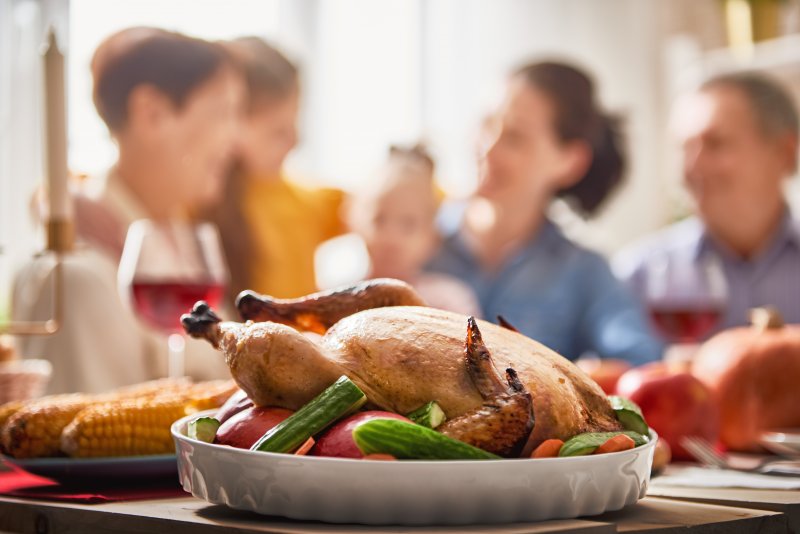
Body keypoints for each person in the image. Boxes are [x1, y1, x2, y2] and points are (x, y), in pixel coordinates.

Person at [12, 28, 245, 393]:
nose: (235, 140)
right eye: (223, 112)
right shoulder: (76, 280)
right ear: (151, 113)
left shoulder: (186, 246)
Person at [426, 62, 663, 364]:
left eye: (514, 138)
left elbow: (642, 362)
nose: (488, 148)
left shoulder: (584, 272)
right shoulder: (413, 239)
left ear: (569, 161)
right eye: (486, 124)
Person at [614, 72, 800, 335]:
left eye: (716, 144)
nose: (691, 167)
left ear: (784, 153)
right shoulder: (639, 275)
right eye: (684, 148)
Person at [205, 37, 345, 301]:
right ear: (231, 124)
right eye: (278, 132)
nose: (295, 140)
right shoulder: (193, 204)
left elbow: (403, 199)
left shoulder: (308, 202)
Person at [348, 144, 480, 316]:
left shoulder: (448, 301)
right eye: (379, 220)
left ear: (432, 237)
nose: (391, 238)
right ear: (354, 223)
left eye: (408, 224)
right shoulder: (337, 298)